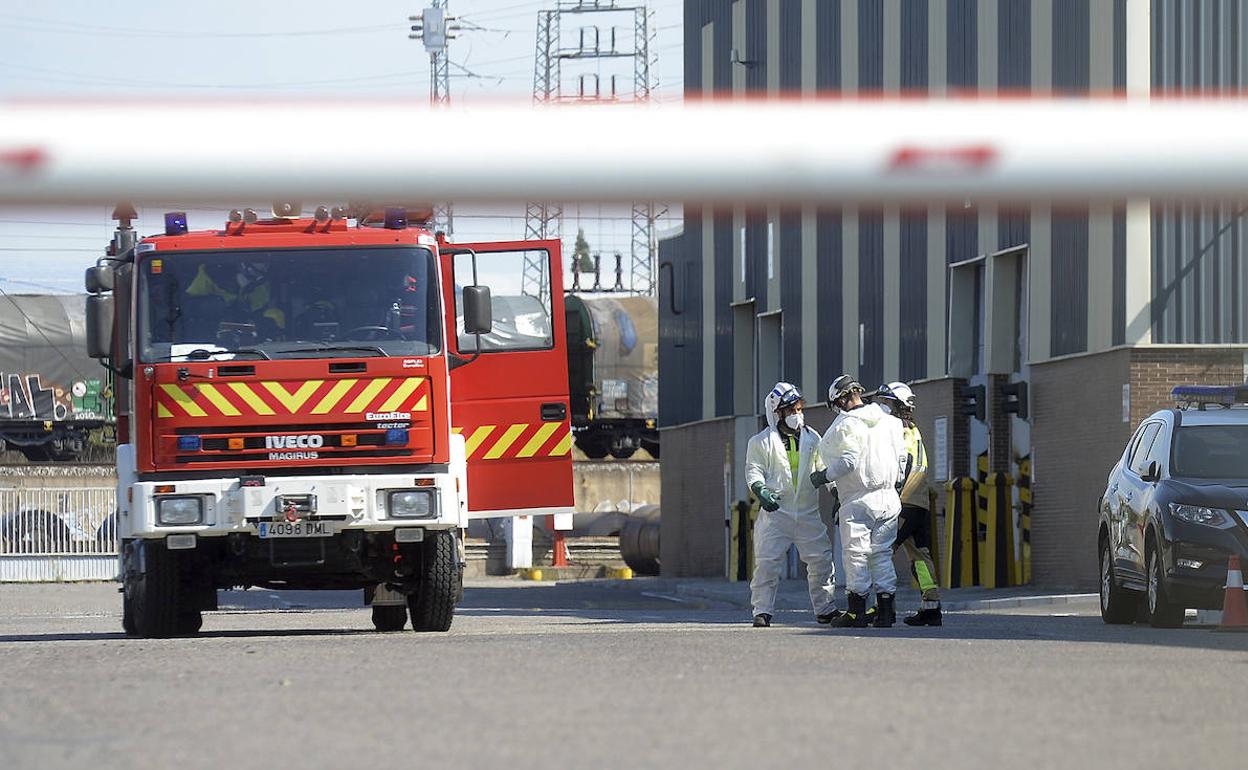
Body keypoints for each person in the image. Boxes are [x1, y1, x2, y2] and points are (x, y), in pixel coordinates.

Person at [814, 375, 907, 628]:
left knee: (856, 555)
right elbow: (902, 460)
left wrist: (823, 476)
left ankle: (856, 612)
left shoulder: (845, 425)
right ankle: (886, 612)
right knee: (881, 555)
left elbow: (848, 462)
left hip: (858, 499)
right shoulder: (890, 422)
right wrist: (894, 486)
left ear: (840, 400)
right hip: (889, 498)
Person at [745, 382, 840, 628]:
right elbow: (753, 470)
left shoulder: (813, 438)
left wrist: (836, 492)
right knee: (767, 563)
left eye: (799, 409)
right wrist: (760, 490)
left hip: (808, 512)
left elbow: (822, 469)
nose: (798, 414)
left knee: (821, 561)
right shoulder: (761, 442)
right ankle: (762, 610)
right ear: (777, 413)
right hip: (776, 513)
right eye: (791, 410)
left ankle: (825, 609)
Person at [874, 382, 942, 626]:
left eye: (885, 402)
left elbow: (900, 466)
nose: (881, 407)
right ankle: (931, 607)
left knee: (880, 552)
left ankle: (883, 607)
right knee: (920, 556)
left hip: (902, 502)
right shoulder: (914, 430)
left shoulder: (898, 433)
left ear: (897, 405)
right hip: (920, 503)